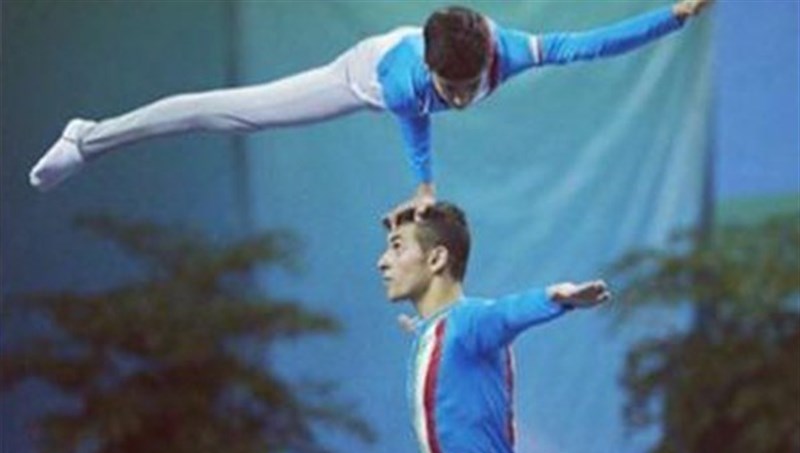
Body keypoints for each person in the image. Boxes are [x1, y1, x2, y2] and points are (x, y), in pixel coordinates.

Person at [30, 1, 710, 196]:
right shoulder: (406, 83)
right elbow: (416, 123)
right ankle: (89, 136)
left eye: (465, 89)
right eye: (449, 90)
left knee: (582, 52)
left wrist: (675, 16)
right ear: (433, 73)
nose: (460, 101)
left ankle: (90, 136)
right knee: (229, 113)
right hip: (355, 76)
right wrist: (425, 183)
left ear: (485, 60)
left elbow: (593, 44)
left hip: (411, 56)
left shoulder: (512, 50)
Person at [376, 202, 610, 453]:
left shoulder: (467, 322)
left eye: (397, 247)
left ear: (436, 259)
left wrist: (554, 297)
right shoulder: (441, 331)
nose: (382, 261)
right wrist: (422, 331)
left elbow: (504, 314)